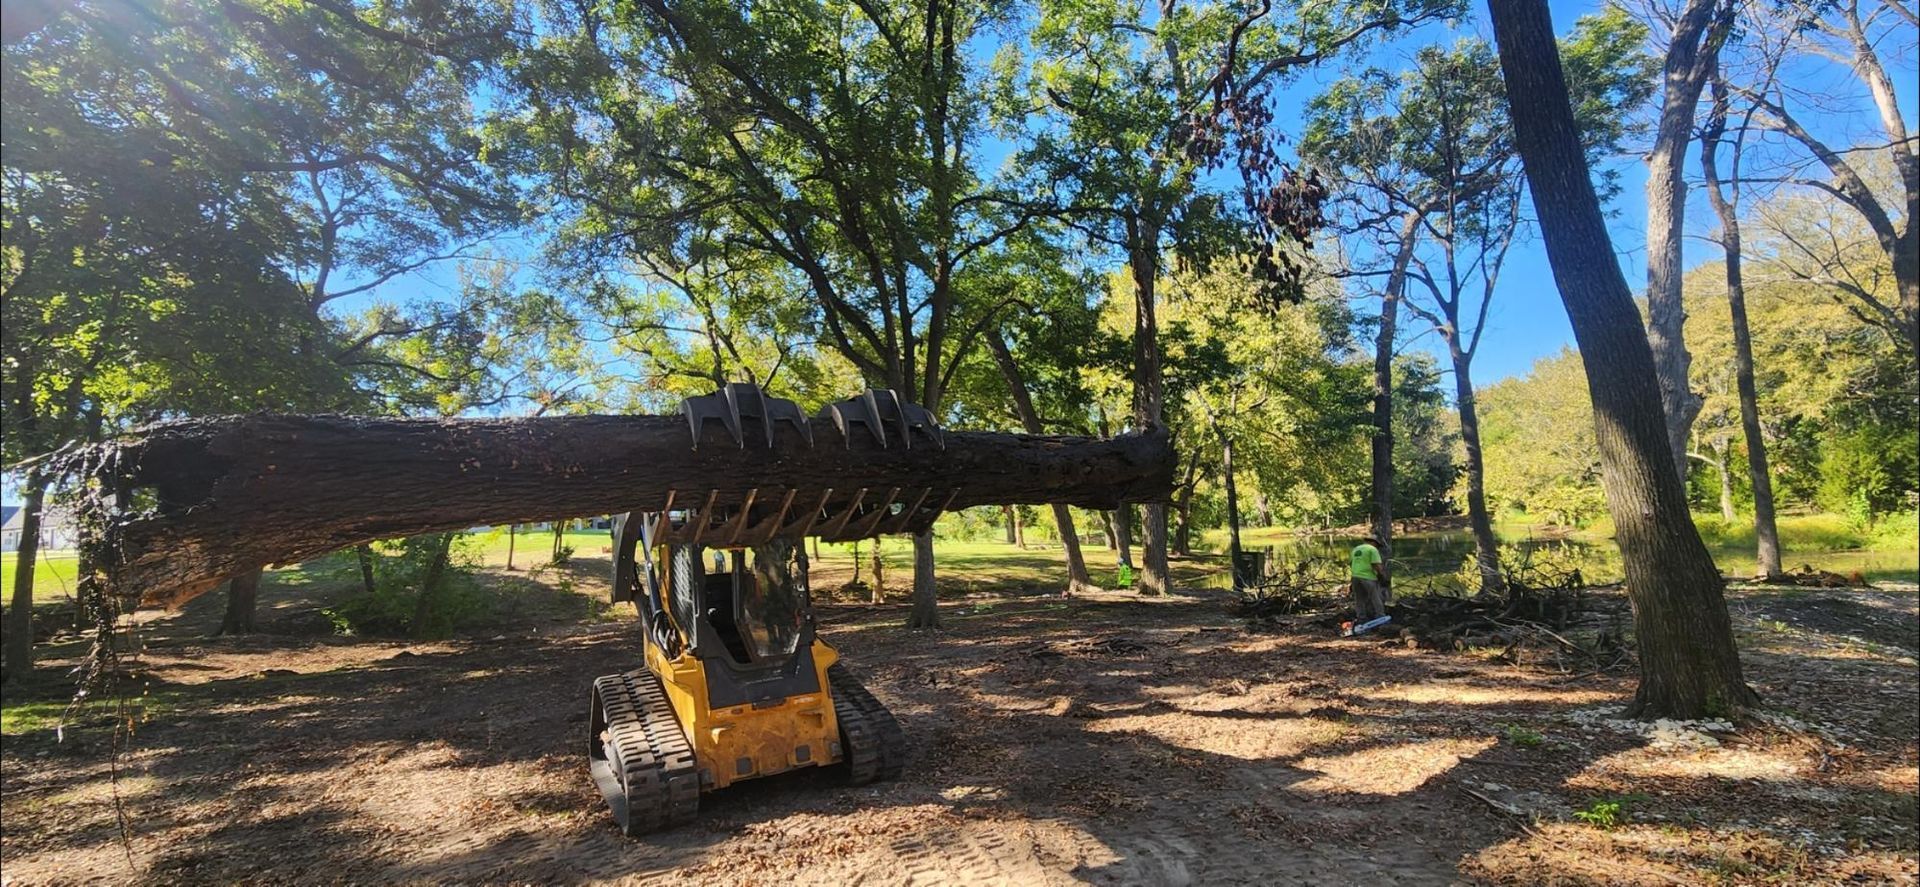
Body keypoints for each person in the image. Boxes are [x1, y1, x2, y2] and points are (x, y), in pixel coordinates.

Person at [1348, 536, 1390, 622]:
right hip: (1368, 577)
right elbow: (1376, 565)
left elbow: (1351, 563)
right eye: (1377, 545)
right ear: (1374, 542)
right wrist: (1382, 576)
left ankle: (1361, 618)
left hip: (1355, 576)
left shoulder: (1356, 549)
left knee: (1359, 599)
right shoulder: (1372, 549)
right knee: (1375, 597)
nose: (1377, 547)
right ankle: (1380, 616)